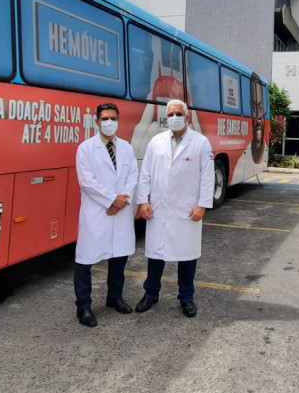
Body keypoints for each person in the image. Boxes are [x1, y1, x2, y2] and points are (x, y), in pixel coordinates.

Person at [135, 99, 214, 318]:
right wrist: (143, 201)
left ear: (187, 117)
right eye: (170, 114)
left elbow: (207, 178)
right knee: (156, 254)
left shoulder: (201, 142)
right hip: (159, 209)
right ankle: (150, 294)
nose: (174, 118)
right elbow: (146, 173)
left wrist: (202, 205)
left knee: (187, 255)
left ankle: (186, 298)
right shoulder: (156, 142)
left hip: (187, 210)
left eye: (178, 114)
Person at [72, 102, 138, 328]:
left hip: (119, 211)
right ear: (97, 121)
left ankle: (115, 298)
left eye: (113, 118)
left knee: (119, 258)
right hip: (97, 212)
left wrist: (121, 202)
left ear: (118, 120)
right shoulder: (86, 148)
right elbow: (87, 181)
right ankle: (83, 306)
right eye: (105, 119)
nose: (109, 122)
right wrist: (112, 200)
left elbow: (132, 176)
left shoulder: (126, 147)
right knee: (85, 261)